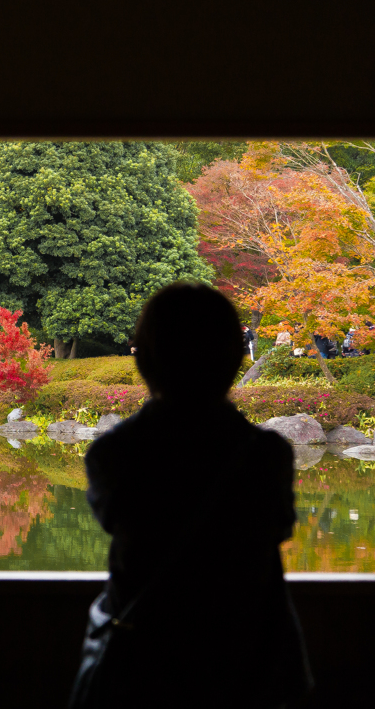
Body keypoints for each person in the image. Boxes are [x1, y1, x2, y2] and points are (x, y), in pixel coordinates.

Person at [70, 283, 311, 709]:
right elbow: (278, 528)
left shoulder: (113, 455)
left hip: (145, 663)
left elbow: (117, 522)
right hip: (247, 659)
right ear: (234, 358)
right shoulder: (266, 456)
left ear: (143, 358)